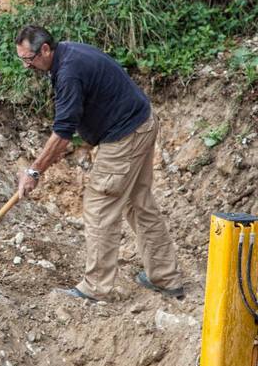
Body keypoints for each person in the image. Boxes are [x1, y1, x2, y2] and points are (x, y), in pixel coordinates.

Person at [13, 24, 184, 302]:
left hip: (125, 136)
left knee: (99, 207)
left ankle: (95, 288)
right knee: (139, 203)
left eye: (28, 60)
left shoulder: (68, 72)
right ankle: (165, 277)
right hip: (141, 123)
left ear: (45, 49)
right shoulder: (68, 53)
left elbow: (63, 132)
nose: (26, 66)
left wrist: (34, 171)